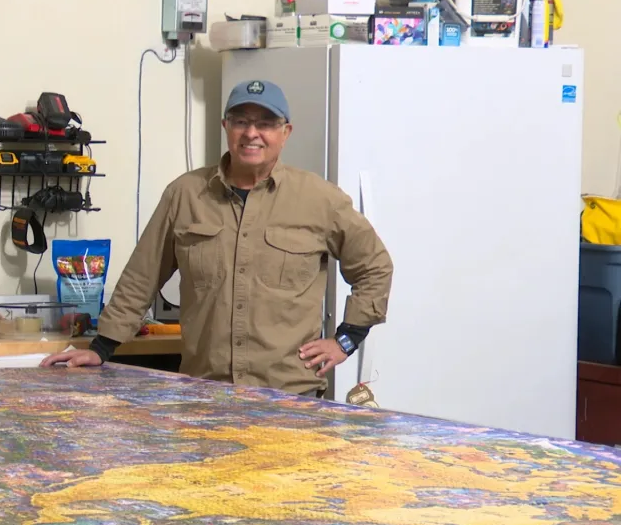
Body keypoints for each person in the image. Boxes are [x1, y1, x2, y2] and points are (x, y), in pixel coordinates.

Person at [40, 79, 393, 397]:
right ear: (226, 126)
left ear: (286, 132)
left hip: (290, 399)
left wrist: (346, 339)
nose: (252, 133)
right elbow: (141, 278)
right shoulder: (185, 194)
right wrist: (100, 348)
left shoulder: (319, 198)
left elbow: (375, 267)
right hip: (204, 396)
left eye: (266, 123)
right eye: (241, 121)